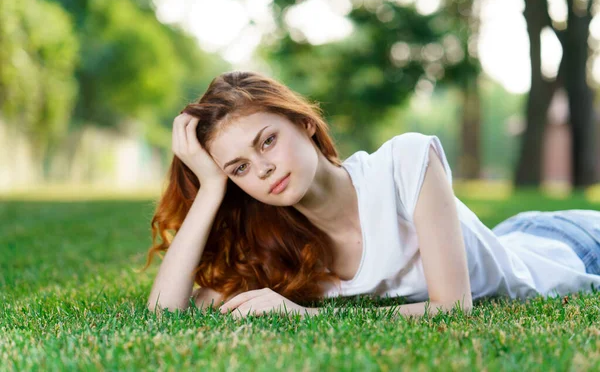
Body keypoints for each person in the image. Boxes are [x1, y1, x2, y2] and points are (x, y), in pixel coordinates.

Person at [143, 70, 600, 320]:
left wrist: (309, 320)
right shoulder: (275, 247)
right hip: (500, 240)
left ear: (304, 124)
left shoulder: (405, 161)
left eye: (267, 141)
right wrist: (210, 189)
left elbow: (453, 308)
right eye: (239, 168)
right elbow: (164, 313)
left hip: (570, 245)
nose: (262, 169)